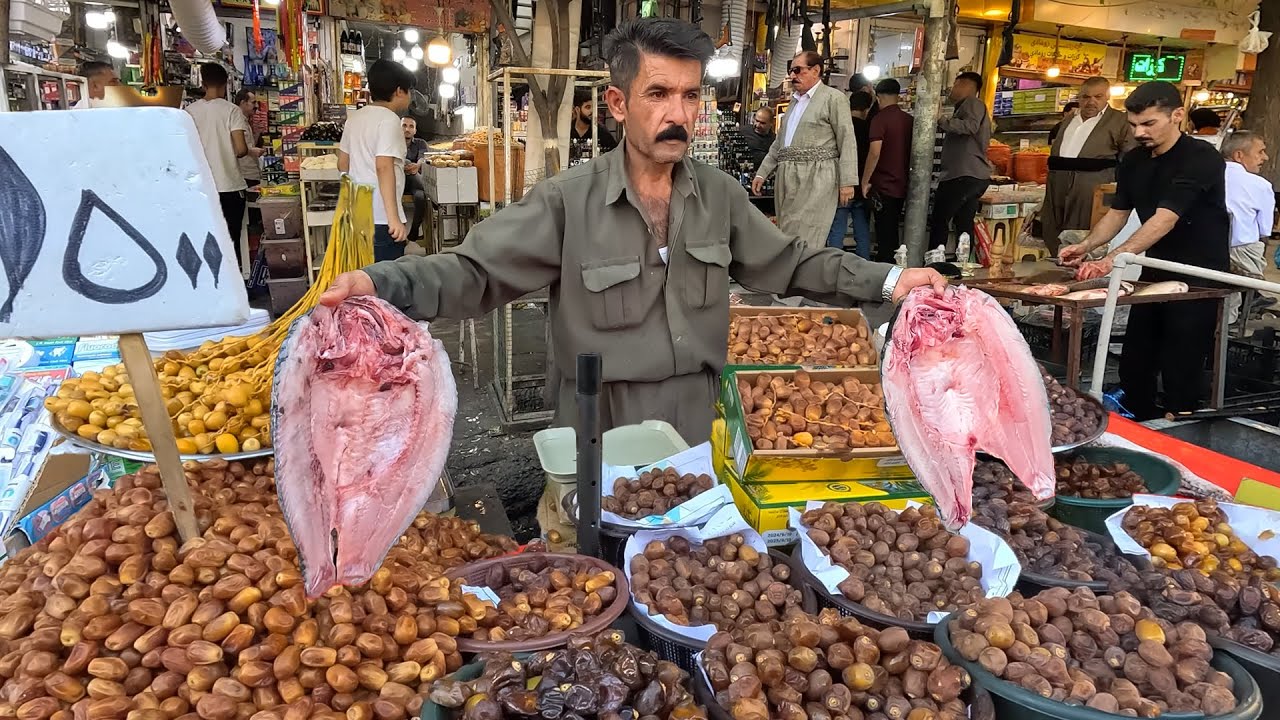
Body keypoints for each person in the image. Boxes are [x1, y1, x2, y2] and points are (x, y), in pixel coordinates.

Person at [318, 17, 945, 447]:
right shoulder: (569, 202)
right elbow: (473, 273)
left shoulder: (719, 196)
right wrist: (378, 283)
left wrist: (889, 279)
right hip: (599, 440)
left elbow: (794, 264)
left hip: (701, 439)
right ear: (618, 104)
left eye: (692, 96)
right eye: (659, 94)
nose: (680, 114)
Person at [1059, 81, 1230, 419]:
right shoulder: (1135, 160)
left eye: (1148, 123)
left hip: (1199, 273)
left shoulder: (1201, 157)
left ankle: (1180, 418)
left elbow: (1165, 218)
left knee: (1182, 353)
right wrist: (1088, 245)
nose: (1139, 132)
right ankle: (1139, 413)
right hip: (1154, 267)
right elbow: (1119, 212)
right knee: (1139, 351)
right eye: (1134, 124)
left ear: (1177, 115)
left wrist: (1114, 258)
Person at [752, 51, 859, 250]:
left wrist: (847, 182)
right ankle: (791, 276)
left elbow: (847, 139)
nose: (793, 76)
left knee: (809, 235)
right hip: (788, 176)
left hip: (817, 176)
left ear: (816, 70)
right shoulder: (794, 102)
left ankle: (805, 276)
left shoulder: (834, 99)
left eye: (798, 70)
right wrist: (762, 173)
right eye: (791, 70)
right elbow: (779, 143)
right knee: (787, 232)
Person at [1041, 77, 1136, 255]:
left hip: (1093, 182)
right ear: (1079, 97)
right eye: (1086, 97)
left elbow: (1130, 156)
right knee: (1053, 226)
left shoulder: (1120, 120)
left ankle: (1079, 268)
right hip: (1058, 181)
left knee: (1082, 230)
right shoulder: (1069, 119)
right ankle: (1057, 263)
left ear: (1107, 97)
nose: (1091, 102)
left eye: (1097, 96)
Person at [338, 59, 415, 262]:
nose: (410, 96)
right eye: (409, 91)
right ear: (399, 91)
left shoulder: (354, 118)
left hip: (357, 214)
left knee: (363, 279)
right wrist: (393, 219)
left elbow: (342, 164)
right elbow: (383, 166)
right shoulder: (389, 121)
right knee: (384, 281)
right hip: (381, 219)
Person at [186, 63, 252, 268]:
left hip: (200, 187)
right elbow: (241, 149)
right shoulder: (231, 111)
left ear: (203, 83)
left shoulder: (189, 112)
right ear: (225, 84)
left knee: (205, 238)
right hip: (229, 186)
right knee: (230, 240)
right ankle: (233, 286)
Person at [930, 72, 992, 253]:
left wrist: (941, 119)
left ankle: (934, 263)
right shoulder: (966, 106)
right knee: (963, 222)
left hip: (963, 175)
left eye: (955, 85)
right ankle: (963, 264)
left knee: (940, 219)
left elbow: (970, 126)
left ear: (966, 85)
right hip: (970, 175)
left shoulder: (973, 103)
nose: (952, 89)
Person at [1220, 130, 1275, 326]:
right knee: (1254, 248)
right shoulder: (1260, 185)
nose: (1265, 157)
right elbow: (1264, 232)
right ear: (1239, 155)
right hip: (1240, 255)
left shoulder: (1206, 176)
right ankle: (1248, 298)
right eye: (1260, 152)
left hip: (1203, 250)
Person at [862, 78, 913, 262]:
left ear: (879, 97)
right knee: (893, 229)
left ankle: (887, 272)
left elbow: (875, 152)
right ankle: (896, 266)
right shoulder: (909, 120)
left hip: (883, 185)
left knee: (885, 233)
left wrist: (865, 180)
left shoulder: (879, 119)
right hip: (902, 184)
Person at [827, 91, 872, 257]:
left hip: (842, 184)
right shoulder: (869, 129)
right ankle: (864, 265)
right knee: (862, 231)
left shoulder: (841, 127)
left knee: (837, 230)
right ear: (866, 109)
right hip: (861, 186)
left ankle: (835, 266)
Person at [402, 116, 429, 242]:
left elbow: (422, 158)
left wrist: (417, 166)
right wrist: (406, 166)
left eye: (411, 126)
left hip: (414, 183)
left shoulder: (420, 143)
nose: (407, 129)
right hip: (397, 181)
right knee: (406, 161)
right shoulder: (392, 143)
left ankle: (414, 232)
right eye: (404, 125)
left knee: (420, 196)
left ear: (415, 130)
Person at [569, 88, 619, 157]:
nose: (592, 111)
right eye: (588, 107)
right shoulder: (568, 131)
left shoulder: (601, 132)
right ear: (577, 110)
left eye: (594, 107)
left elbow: (615, 155)